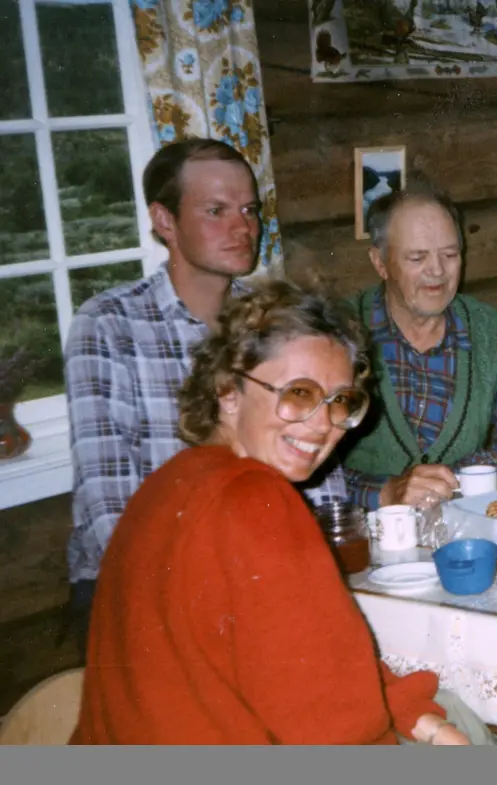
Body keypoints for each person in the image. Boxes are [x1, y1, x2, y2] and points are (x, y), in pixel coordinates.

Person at [71, 279, 497, 745]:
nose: (322, 425)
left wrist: (419, 717)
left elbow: (306, 659)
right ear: (229, 390)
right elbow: (340, 731)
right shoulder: (256, 501)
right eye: (298, 393)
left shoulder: (169, 483)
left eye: (341, 402)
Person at [64, 139, 346, 653]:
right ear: (164, 221)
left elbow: (319, 472)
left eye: (249, 210)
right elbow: (109, 507)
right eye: (216, 211)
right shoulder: (109, 325)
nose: (242, 228)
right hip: (140, 590)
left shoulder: (271, 323)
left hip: (261, 571)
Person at [340, 188, 497, 510]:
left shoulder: (490, 331)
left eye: (450, 254)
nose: (437, 271)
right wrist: (385, 492)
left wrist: (454, 480)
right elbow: (310, 471)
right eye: (417, 257)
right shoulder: (338, 333)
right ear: (380, 262)